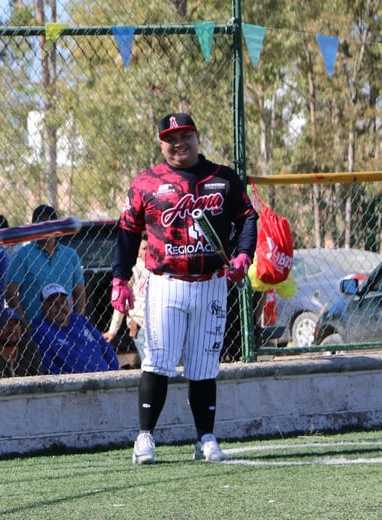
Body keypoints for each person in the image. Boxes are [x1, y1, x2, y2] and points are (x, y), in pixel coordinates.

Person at [111, 112, 257, 465]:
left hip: (211, 282)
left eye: (186, 135)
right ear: (161, 143)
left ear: (197, 137)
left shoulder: (223, 178)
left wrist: (243, 256)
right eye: (171, 138)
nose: (179, 144)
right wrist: (120, 279)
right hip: (165, 283)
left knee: (205, 364)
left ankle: (205, 437)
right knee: (158, 360)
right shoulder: (146, 182)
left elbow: (248, 218)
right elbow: (128, 232)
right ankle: (144, 437)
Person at [7, 204, 86, 324]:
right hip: (35, 330)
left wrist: (76, 324)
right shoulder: (23, 255)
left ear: (57, 225)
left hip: (65, 328)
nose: (46, 228)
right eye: (41, 223)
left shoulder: (70, 255)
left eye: (49, 223)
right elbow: (10, 293)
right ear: (33, 226)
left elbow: (80, 293)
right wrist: (25, 326)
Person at [31, 283, 119, 375]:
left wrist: (115, 373)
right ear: (44, 306)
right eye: (54, 303)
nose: (60, 307)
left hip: (107, 377)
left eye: (62, 302)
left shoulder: (79, 320)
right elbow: (50, 370)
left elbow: (105, 347)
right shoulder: (41, 331)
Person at [104, 236, 150, 366]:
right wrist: (113, 330)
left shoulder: (160, 267)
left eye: (151, 248)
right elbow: (121, 302)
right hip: (142, 325)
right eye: (144, 248)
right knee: (151, 365)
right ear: (138, 251)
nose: (148, 252)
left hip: (161, 323)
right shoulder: (134, 269)